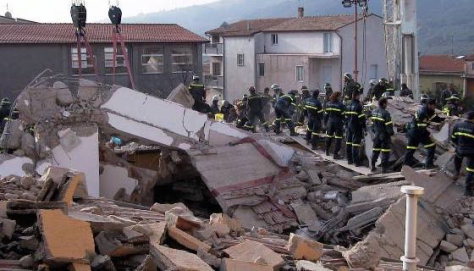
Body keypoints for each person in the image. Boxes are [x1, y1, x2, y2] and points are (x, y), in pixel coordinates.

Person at [404, 99, 438, 169]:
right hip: (417, 132)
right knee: (432, 146)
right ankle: (428, 165)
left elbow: (432, 119)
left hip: (412, 131)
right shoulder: (423, 113)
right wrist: (429, 134)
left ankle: (406, 165)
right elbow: (421, 128)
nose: (435, 107)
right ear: (429, 105)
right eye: (434, 105)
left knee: (411, 148)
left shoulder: (425, 110)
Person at [451, 111, 474, 196]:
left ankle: (456, 173)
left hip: (460, 149)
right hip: (471, 152)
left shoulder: (458, 125)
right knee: (470, 170)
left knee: (457, 158)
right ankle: (468, 190)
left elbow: (453, 138)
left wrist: (458, 145)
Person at [370, 98, 394, 173]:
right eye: (386, 103)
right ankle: (384, 169)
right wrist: (391, 133)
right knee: (385, 152)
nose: (387, 105)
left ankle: (373, 166)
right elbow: (389, 126)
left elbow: (372, 125)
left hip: (376, 135)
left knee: (375, 151)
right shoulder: (385, 113)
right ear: (383, 104)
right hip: (384, 135)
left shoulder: (374, 112)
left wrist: (375, 132)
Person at [344, 91, 366, 166]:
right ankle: (356, 162)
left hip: (349, 126)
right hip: (356, 126)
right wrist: (364, 127)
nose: (359, 97)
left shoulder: (348, 104)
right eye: (359, 95)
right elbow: (361, 118)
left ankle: (349, 160)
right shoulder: (358, 105)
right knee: (355, 144)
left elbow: (346, 116)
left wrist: (346, 125)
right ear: (356, 96)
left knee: (349, 143)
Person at [325, 92, 345, 159]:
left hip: (330, 123)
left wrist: (325, 123)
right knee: (338, 139)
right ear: (337, 97)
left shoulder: (328, 104)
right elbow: (343, 115)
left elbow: (326, 115)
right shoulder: (340, 105)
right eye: (340, 96)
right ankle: (335, 154)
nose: (341, 97)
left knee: (329, 137)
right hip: (338, 123)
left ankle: (327, 151)